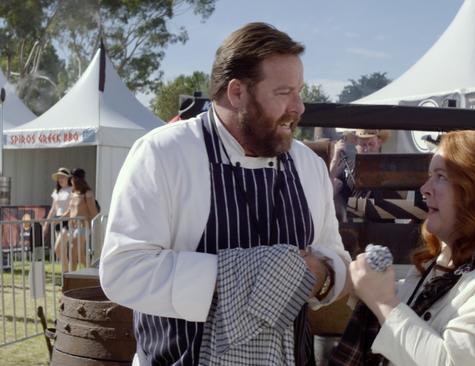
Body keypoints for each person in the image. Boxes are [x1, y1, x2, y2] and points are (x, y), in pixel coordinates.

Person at [99, 22, 351, 366]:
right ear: (236, 93)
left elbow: (334, 257)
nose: (299, 107)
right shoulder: (163, 154)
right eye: (283, 93)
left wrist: (321, 277)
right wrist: (252, 275)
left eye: (299, 91)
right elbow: (123, 271)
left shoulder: (307, 164)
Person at [331, 130, 475, 366]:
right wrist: (361, 284)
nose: (424, 189)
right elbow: (422, 313)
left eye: (440, 176)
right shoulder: (451, 263)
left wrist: (383, 301)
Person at [329, 129, 391, 222]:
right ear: (356, 144)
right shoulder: (347, 166)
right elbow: (326, 185)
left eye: (371, 144)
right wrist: (335, 157)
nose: (367, 149)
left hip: (384, 227)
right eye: (363, 145)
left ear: (379, 143)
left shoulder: (390, 167)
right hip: (352, 227)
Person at [58, 168, 99, 272]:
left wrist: (91, 226)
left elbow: (94, 213)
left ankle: (72, 278)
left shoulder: (87, 193)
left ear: (75, 179)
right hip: (72, 227)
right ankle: (91, 273)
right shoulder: (73, 192)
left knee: (72, 251)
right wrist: (59, 219)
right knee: (80, 255)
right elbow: (69, 210)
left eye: (71, 178)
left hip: (83, 227)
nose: (70, 181)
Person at [43, 167, 73, 243]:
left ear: (68, 178)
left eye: (62, 177)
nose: (60, 179)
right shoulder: (56, 191)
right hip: (57, 220)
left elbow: (72, 207)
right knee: (59, 248)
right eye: (59, 177)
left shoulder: (72, 190)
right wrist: (46, 224)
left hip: (68, 220)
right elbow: (53, 209)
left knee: (63, 245)